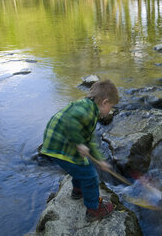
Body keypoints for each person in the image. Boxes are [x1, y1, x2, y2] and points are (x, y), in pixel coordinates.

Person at [40, 79, 119, 222]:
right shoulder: (87, 110)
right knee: (90, 176)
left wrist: (100, 160)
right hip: (61, 144)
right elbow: (70, 120)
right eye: (111, 107)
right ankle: (93, 210)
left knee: (82, 164)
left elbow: (89, 139)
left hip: (58, 142)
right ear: (104, 102)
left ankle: (78, 190)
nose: (110, 111)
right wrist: (79, 142)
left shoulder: (89, 108)